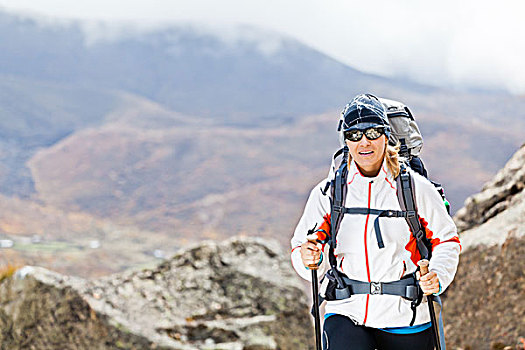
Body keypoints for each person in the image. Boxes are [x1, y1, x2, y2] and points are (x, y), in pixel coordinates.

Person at [290, 94, 461, 350]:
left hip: (407, 314)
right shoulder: (330, 193)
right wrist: (307, 259)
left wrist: (437, 275)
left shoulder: (414, 189)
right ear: (345, 140)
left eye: (372, 132)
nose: (364, 142)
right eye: (354, 135)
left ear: (386, 135)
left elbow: (447, 240)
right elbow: (302, 247)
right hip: (347, 311)